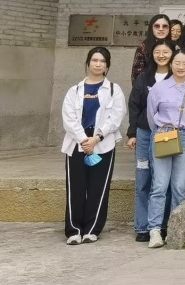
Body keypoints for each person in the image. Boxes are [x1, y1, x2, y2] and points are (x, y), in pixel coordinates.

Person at [61, 47, 124, 245]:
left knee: (98, 187)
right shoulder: (75, 90)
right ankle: (74, 230)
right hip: (77, 142)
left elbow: (116, 116)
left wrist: (96, 138)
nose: (98, 64)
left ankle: (92, 229)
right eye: (95, 60)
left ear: (107, 65)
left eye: (102, 61)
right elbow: (69, 118)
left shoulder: (113, 89)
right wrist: (84, 139)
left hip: (103, 143)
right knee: (76, 187)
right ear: (88, 63)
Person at [144, 49, 185, 248]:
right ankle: (155, 230)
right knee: (160, 185)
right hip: (163, 134)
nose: (181, 66)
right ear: (170, 64)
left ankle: (174, 229)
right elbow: (151, 115)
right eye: (177, 63)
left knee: (180, 186)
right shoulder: (159, 88)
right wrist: (162, 130)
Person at [126, 39, 174, 243]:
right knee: (143, 178)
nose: (161, 55)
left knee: (163, 180)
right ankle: (143, 226)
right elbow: (134, 106)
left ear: (172, 54)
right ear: (151, 55)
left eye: (166, 52)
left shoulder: (176, 77)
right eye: (157, 52)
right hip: (145, 133)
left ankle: (162, 224)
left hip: (166, 135)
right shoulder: (143, 77)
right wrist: (132, 133)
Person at [132, 14, 171, 80]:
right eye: (157, 26)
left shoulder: (175, 47)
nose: (161, 29)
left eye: (165, 26)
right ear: (151, 28)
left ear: (169, 29)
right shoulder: (143, 47)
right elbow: (137, 74)